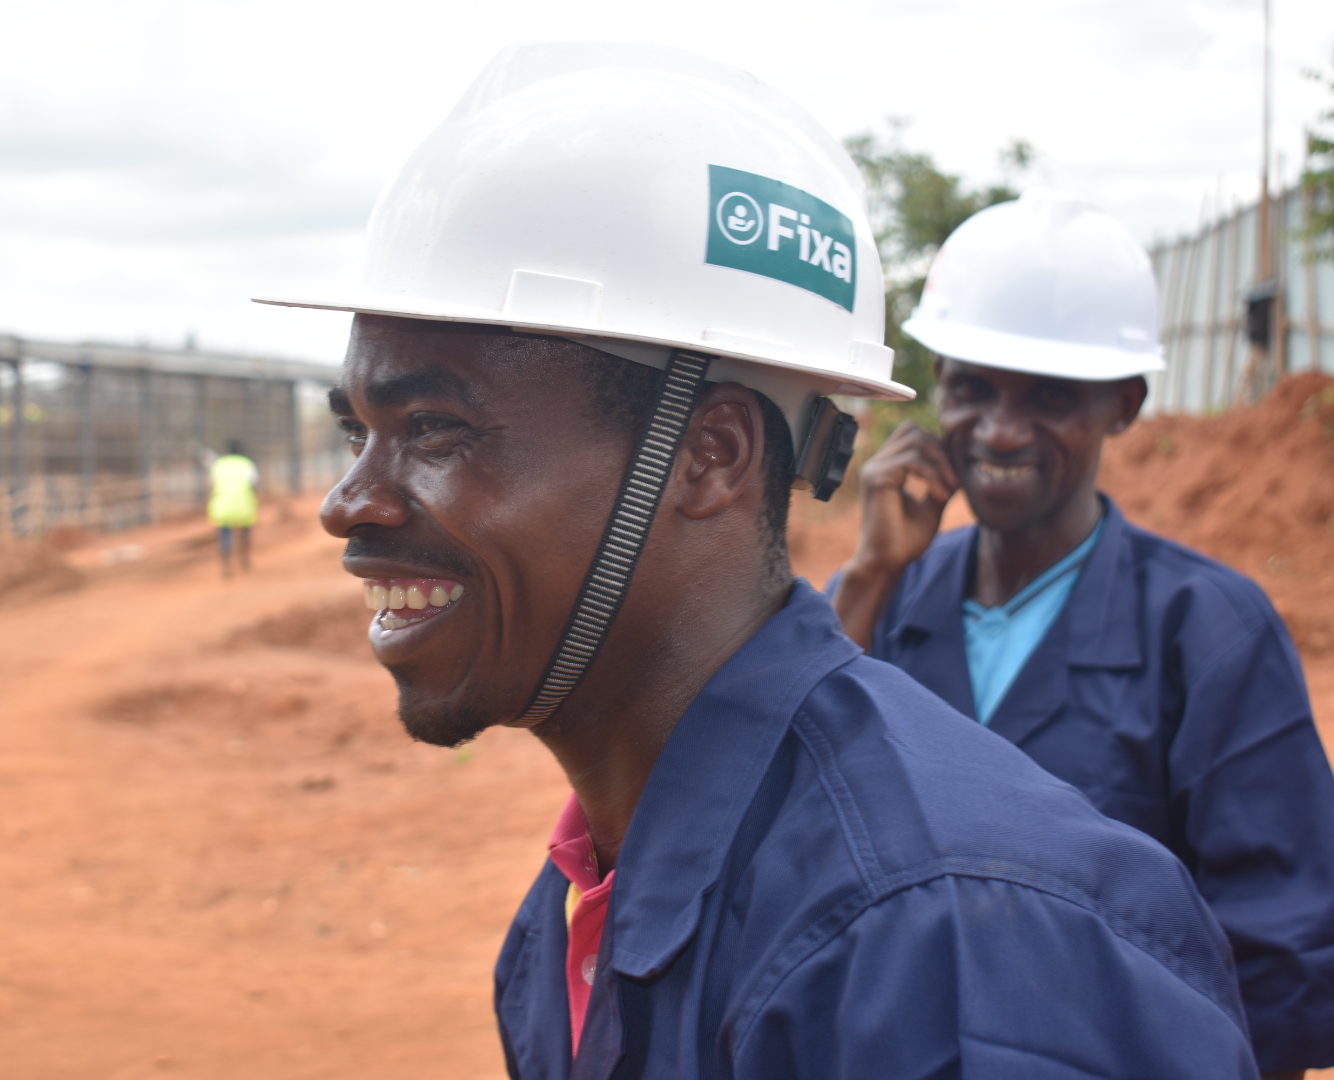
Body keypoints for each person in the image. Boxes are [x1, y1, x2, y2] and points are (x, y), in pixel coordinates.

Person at [257, 44, 1256, 1078]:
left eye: (432, 429)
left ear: (709, 455)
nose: (348, 505)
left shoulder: (942, 953)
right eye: (356, 432)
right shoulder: (575, 914)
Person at [830, 189, 1334, 1078]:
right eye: (972, 389)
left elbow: (1279, 960)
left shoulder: (1208, 630)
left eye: (1051, 397)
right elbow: (782, 804)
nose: (999, 430)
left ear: (1125, 405)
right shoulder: (891, 601)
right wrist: (868, 575)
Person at [208, 439, 258, 577]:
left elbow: (212, 485)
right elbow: (253, 484)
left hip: (223, 505)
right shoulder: (247, 464)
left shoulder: (218, 465)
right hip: (244, 504)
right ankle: (244, 559)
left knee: (225, 534)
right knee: (245, 533)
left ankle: (226, 566)